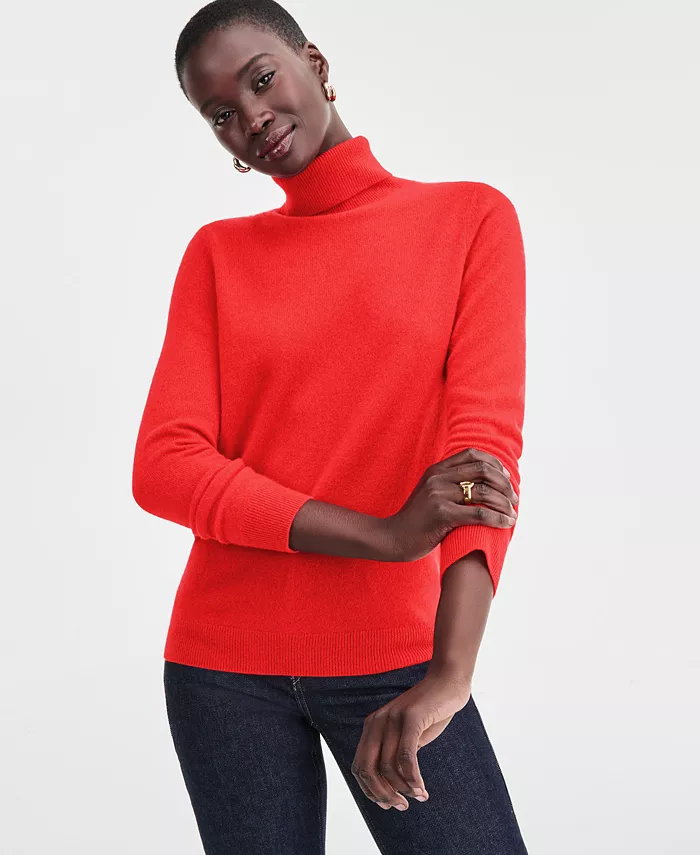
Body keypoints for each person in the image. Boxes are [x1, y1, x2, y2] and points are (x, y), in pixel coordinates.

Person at [131, 1, 529, 852]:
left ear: (314, 63)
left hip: (399, 659)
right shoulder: (218, 255)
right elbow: (165, 464)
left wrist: (451, 672)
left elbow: (482, 457)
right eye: (221, 114)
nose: (251, 118)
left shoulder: (469, 220)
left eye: (261, 79)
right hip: (221, 669)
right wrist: (383, 535)